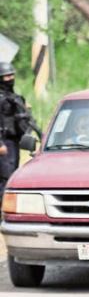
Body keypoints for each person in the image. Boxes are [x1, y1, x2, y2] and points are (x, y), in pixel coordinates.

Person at [0, 62, 38, 200]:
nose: (10, 78)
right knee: (6, 178)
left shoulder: (15, 98)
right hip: (4, 142)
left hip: (14, 142)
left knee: (13, 176)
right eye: (6, 76)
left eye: (11, 75)